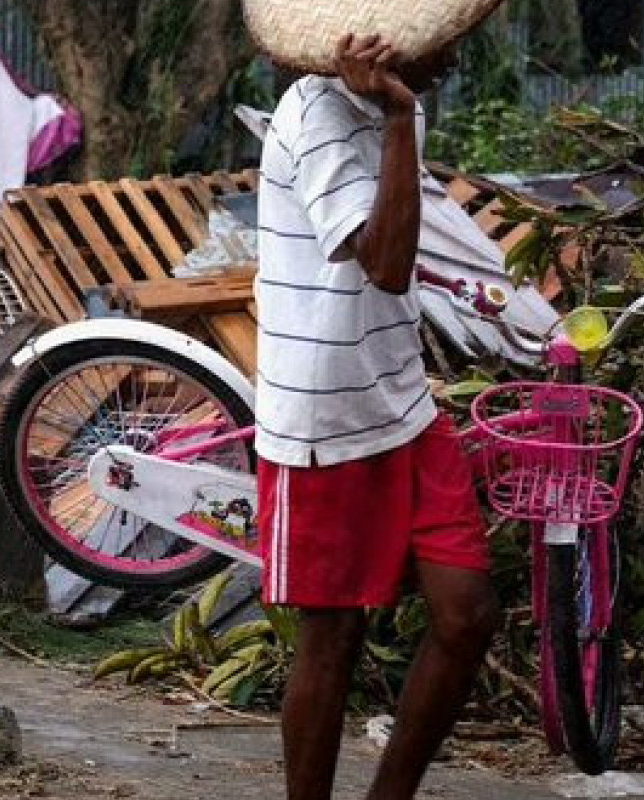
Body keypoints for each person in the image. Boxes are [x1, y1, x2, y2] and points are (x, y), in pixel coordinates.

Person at [253, 32, 502, 800]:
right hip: (322, 421)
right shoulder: (317, 115)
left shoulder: (402, 110)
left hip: (401, 399)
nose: (453, 60)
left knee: (467, 614)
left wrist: (401, 118)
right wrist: (398, 124)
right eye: (438, 46)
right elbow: (386, 263)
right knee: (333, 640)